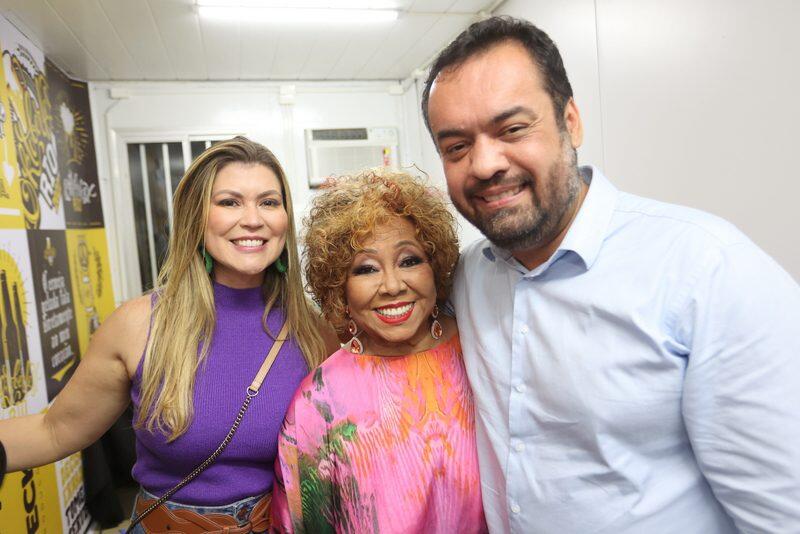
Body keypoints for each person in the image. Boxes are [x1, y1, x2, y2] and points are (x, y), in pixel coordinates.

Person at [421, 15, 800, 534]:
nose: (485, 164)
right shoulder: (466, 280)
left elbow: (782, 512)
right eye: (457, 147)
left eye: (512, 128)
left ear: (570, 121)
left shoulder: (707, 270)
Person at [0, 136, 337, 531]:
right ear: (196, 217)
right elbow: (54, 430)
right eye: (229, 202)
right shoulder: (139, 324)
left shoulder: (316, 334)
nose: (253, 219)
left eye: (268, 202)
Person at [270, 169, 487, 533]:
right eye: (366, 268)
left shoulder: (481, 357)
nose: (391, 285)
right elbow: (299, 522)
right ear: (340, 290)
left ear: (436, 268)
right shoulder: (320, 402)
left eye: (409, 260)